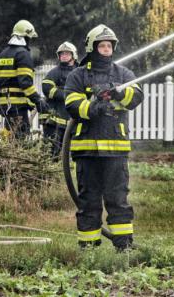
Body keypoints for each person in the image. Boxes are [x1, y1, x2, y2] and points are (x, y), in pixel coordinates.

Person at [64, 25, 143, 251]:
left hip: (116, 150)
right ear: (92, 47)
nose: (107, 49)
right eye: (102, 45)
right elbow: (71, 103)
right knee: (88, 201)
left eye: (110, 45)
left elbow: (136, 96)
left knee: (118, 200)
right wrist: (92, 107)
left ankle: (124, 248)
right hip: (86, 150)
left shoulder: (123, 74)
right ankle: (88, 249)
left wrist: (119, 92)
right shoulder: (78, 75)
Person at [0, 20, 49, 139]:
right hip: (18, 108)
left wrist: (1, 103)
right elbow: (25, 83)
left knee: (9, 139)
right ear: (25, 37)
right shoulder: (23, 54)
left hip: (6, 106)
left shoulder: (2, 54)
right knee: (20, 141)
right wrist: (37, 100)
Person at [40, 41, 78, 159]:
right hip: (55, 121)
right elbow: (46, 88)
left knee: (73, 152)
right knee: (51, 151)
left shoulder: (79, 71)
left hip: (72, 119)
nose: (64, 56)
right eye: (62, 54)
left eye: (67, 53)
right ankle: (48, 173)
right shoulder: (55, 72)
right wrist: (66, 95)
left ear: (74, 55)